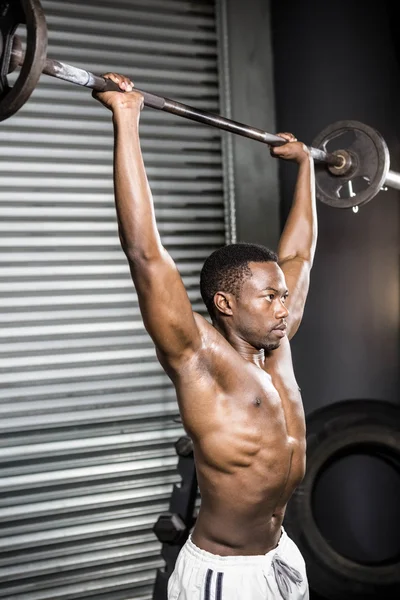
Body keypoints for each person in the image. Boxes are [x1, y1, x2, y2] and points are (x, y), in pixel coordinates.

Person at [94, 72, 316, 600]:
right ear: (225, 304)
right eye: (269, 297)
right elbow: (145, 252)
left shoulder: (276, 343)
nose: (284, 307)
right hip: (227, 574)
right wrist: (127, 118)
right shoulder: (197, 357)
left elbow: (301, 255)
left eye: (283, 296)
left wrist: (307, 166)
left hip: (281, 553)